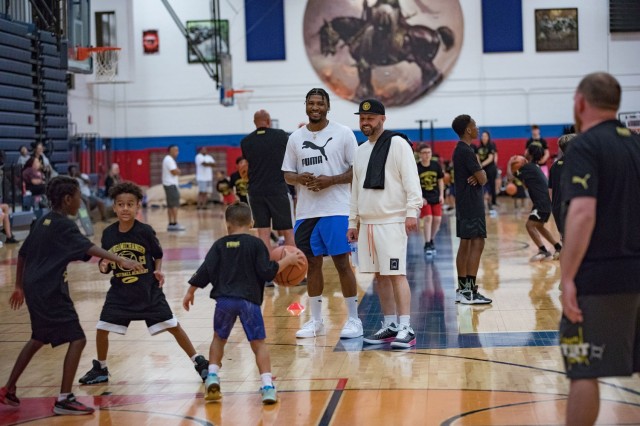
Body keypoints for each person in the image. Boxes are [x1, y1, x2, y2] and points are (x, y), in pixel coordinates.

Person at [0, 176, 143, 414]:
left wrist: (19, 286)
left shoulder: (43, 220)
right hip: (51, 291)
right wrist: (119, 259)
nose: (81, 202)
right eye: (79, 198)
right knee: (78, 338)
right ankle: (64, 399)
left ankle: (8, 388)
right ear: (67, 199)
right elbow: (89, 248)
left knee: (38, 338)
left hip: (35, 289)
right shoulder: (64, 225)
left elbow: (22, 254)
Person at [559, 72, 640, 425]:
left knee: (583, 369)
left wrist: (567, 277)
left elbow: (582, 213)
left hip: (601, 277)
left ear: (580, 103)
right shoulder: (636, 144)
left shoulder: (584, 145)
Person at [78, 181, 209, 386]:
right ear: (114, 207)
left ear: (138, 206)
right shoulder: (109, 234)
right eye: (120, 204)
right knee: (102, 328)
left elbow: (158, 254)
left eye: (130, 204)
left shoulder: (145, 231)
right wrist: (103, 267)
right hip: (120, 292)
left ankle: (198, 361)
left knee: (173, 326)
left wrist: (158, 269)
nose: (125, 208)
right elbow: (106, 263)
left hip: (148, 291)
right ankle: (100, 368)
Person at [183, 203, 305, 404]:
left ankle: (212, 376)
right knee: (259, 345)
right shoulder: (256, 244)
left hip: (224, 301)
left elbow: (205, 270)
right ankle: (267, 386)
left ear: (227, 224)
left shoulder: (219, 245)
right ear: (252, 223)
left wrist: (190, 291)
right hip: (248, 302)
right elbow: (268, 272)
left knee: (218, 339)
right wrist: (288, 261)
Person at [282, 88, 362, 339]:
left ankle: (354, 320)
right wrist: (300, 179)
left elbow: (356, 170)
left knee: (342, 264)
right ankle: (316, 321)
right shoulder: (295, 138)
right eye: (311, 103)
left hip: (337, 209)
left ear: (328, 107)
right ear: (305, 105)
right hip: (306, 212)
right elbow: (287, 174)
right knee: (311, 266)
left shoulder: (343, 133)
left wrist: (332, 180)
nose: (315, 107)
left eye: (320, 103)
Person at [347, 99, 423, 348]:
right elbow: (355, 191)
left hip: (392, 220)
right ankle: (390, 324)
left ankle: (406, 326)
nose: (365, 122)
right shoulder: (359, 151)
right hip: (367, 223)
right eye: (362, 118)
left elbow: (412, 180)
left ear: (382, 118)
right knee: (379, 276)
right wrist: (353, 221)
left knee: (396, 274)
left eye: (370, 118)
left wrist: (412, 211)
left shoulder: (398, 144)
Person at [241, 109, 295, 250]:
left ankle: (266, 264)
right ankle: (294, 265)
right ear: (269, 121)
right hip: (277, 189)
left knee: (263, 231)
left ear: (254, 122)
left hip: (255, 191)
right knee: (288, 230)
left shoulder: (245, 142)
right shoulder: (281, 136)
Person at [451, 115, 492, 305]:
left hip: (466, 202)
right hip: (471, 203)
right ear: (468, 130)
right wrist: (480, 175)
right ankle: (468, 291)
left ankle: (464, 289)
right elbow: (483, 178)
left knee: (468, 243)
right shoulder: (466, 151)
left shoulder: (462, 150)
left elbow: (480, 176)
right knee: (475, 243)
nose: (477, 128)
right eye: (474, 125)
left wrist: (478, 175)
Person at [509, 146, 562, 261]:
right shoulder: (533, 167)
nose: (525, 151)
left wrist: (510, 163)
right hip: (545, 201)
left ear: (530, 154)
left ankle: (543, 250)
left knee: (529, 225)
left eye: (527, 150)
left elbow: (510, 176)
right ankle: (558, 247)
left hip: (542, 202)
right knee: (539, 226)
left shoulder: (527, 167)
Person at [416, 144, 444, 256]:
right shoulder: (416, 167)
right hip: (424, 197)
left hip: (436, 196)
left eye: (429, 152)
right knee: (428, 218)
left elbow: (440, 181)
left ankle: (431, 240)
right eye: (424, 152)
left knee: (437, 220)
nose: (427, 155)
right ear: (420, 154)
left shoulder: (436, 165)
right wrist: (420, 197)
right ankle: (427, 243)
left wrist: (442, 195)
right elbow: (415, 184)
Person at [548, 133, 576, 239]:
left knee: (565, 241)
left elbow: (550, 192)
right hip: (574, 209)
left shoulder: (554, 166)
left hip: (558, 209)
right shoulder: (580, 164)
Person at [162, 145, 185, 231]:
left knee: (170, 205)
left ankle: (171, 223)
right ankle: (174, 223)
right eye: (175, 150)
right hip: (171, 185)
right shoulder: (169, 160)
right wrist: (178, 171)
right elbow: (175, 171)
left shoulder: (168, 159)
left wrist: (177, 170)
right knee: (174, 205)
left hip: (169, 184)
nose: (177, 152)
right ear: (171, 151)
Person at [476, 130, 498, 211]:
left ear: (488, 137)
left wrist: (481, 165)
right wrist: (479, 166)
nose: (483, 137)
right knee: (482, 185)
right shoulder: (478, 147)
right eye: (482, 136)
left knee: (492, 185)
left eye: (485, 136)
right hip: (482, 169)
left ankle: (493, 203)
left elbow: (490, 158)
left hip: (490, 168)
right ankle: (483, 203)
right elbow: (477, 157)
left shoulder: (491, 146)